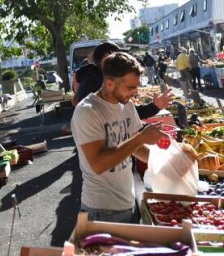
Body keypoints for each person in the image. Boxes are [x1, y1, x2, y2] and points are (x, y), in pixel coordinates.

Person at [71, 52, 172, 222]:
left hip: (128, 201)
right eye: (131, 88)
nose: (136, 92)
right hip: (100, 211)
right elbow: (98, 164)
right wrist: (142, 137)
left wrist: (169, 163)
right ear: (109, 84)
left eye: (137, 86)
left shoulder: (127, 105)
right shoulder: (87, 111)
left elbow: (136, 148)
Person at [72, 41, 172, 117]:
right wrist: (154, 107)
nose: (135, 92)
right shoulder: (99, 80)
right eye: (119, 59)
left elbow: (74, 100)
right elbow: (125, 114)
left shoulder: (89, 73)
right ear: (107, 58)